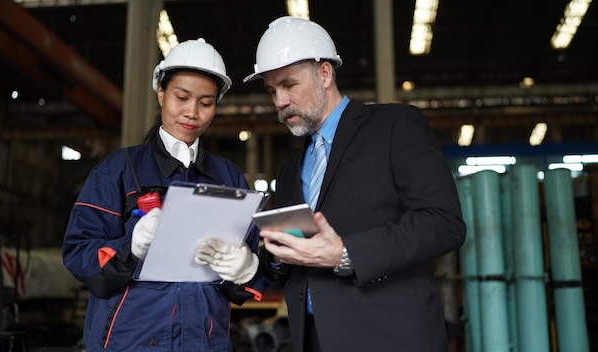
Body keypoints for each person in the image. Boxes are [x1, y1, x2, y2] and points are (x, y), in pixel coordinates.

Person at [243, 16, 466, 352]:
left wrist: (346, 254)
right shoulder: (289, 171)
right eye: (272, 90)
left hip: (390, 338)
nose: (279, 101)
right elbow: (294, 257)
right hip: (314, 340)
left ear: (325, 73)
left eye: (289, 85)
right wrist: (273, 257)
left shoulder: (395, 127)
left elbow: (444, 223)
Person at [63, 38, 264, 351]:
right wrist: (130, 247)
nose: (192, 112)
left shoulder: (229, 178)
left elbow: (251, 271)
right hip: (131, 343)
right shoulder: (119, 170)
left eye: (206, 103)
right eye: (181, 97)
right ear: (161, 92)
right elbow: (79, 254)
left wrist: (246, 268)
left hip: (206, 343)